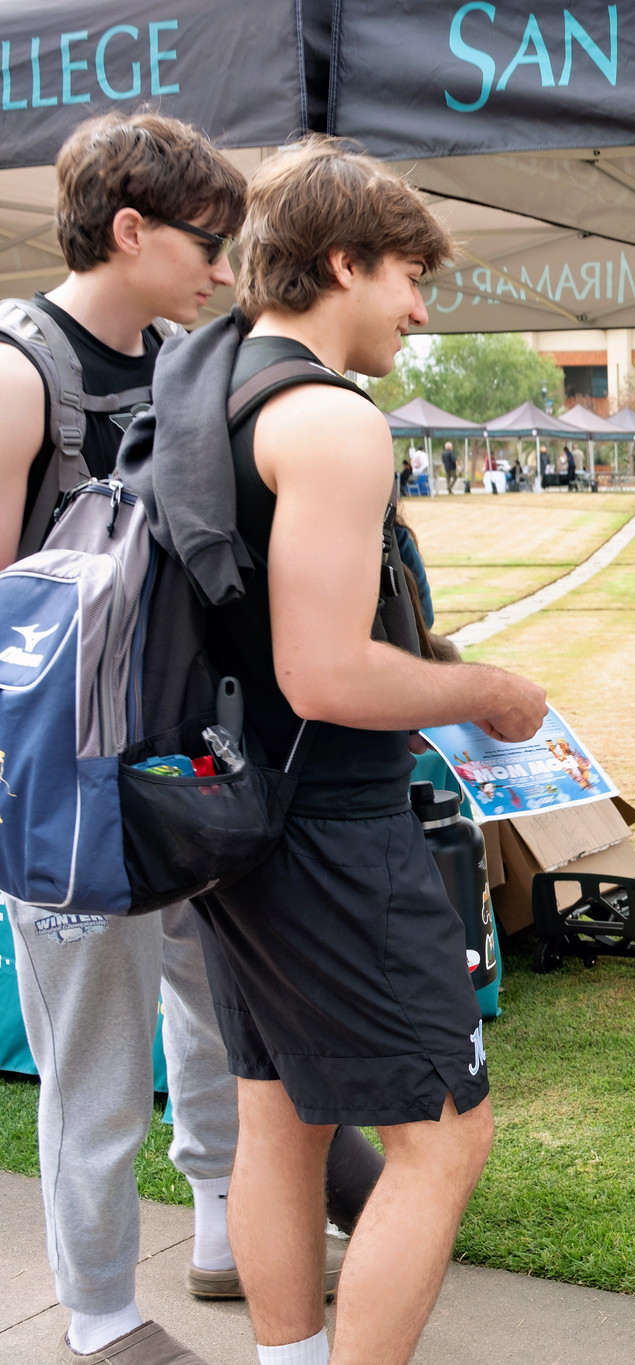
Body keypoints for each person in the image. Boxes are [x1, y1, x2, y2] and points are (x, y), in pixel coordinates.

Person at [194, 136, 548, 1365]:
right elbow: (325, 671)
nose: (419, 307)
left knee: (278, 1115)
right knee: (445, 1136)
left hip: (229, 817)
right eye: (409, 276)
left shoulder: (209, 384)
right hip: (331, 826)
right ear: (343, 261)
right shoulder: (333, 421)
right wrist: (488, 690)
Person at [0, 111, 262, 1365]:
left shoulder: (184, 364)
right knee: (96, 1062)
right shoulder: (17, 370)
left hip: (180, 761)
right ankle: (99, 1315)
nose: (224, 269)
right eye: (209, 243)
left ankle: (220, 1230)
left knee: (213, 1010)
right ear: (131, 229)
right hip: (68, 784)